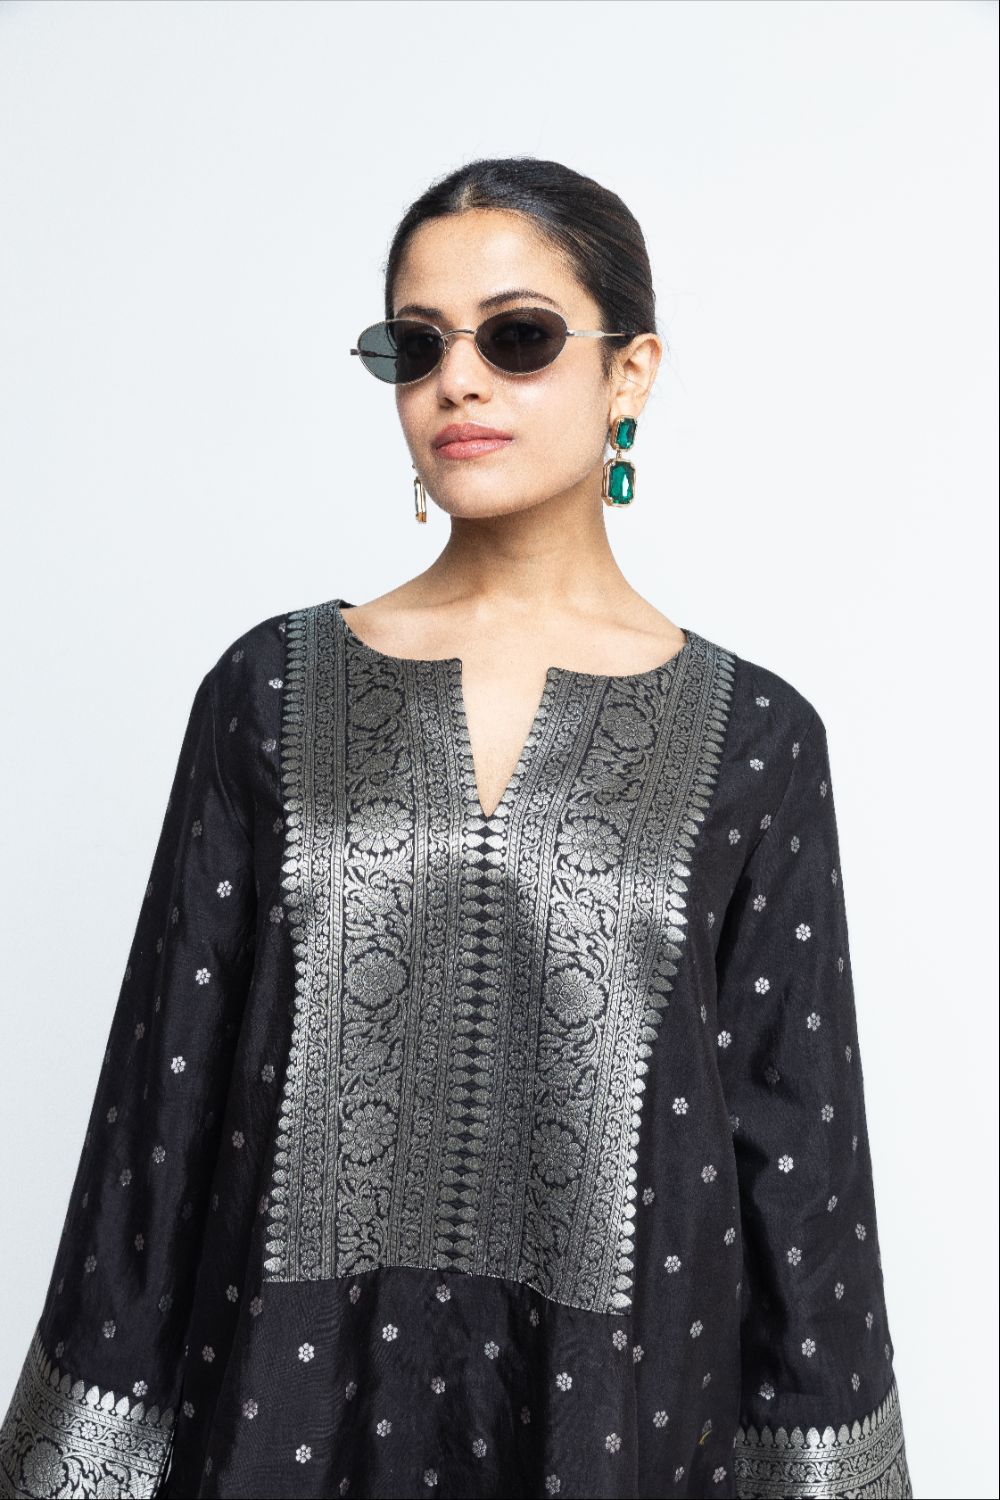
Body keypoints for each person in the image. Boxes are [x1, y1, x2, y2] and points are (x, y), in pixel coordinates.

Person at [0, 156, 913, 1500]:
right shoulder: (269, 692)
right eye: (416, 346)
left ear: (631, 373)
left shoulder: (758, 740)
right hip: (278, 1412)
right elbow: (158, 1117)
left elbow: (802, 1169)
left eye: (518, 337)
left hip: (620, 1424)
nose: (457, 383)